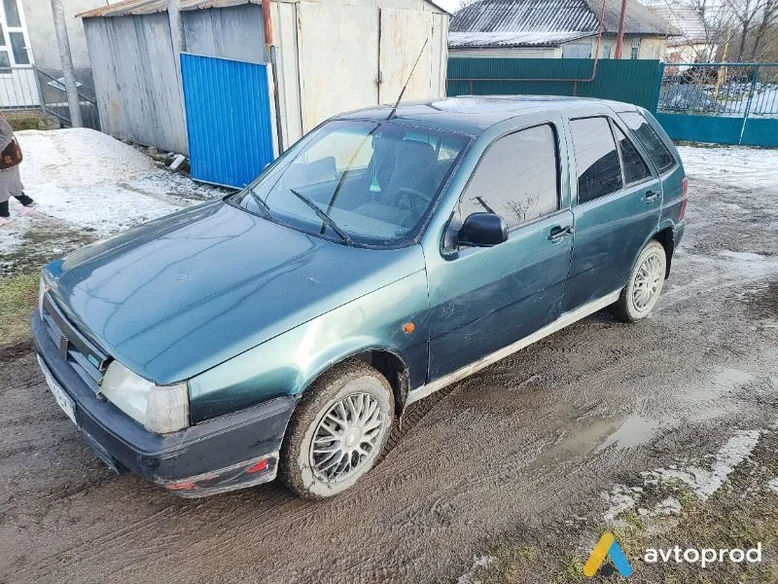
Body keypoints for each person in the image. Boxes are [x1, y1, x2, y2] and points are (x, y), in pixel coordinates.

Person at [0, 113, 36, 226]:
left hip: (5, 158)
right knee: (10, 184)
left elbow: (7, 133)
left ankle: (4, 215)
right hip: (7, 158)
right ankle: (28, 203)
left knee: (2, 186)